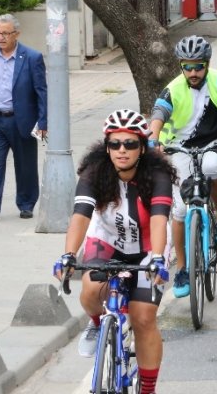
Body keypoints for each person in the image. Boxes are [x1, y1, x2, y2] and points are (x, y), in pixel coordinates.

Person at [54, 109, 174, 394]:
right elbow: (81, 216)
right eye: (115, 144)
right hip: (106, 240)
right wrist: (69, 254)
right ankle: (97, 324)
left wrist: (157, 258)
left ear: (142, 147)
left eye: (130, 144)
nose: (122, 150)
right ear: (106, 147)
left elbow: (159, 220)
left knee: (143, 317)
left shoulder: (157, 174)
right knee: (90, 290)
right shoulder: (94, 172)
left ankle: (147, 388)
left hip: (147, 248)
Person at [150, 36, 217, 297]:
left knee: (213, 168)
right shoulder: (174, 87)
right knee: (179, 210)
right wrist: (153, 139)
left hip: (216, 140)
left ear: (207, 63)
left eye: (198, 66)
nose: (192, 72)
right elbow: (158, 113)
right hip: (181, 146)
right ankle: (182, 267)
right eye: (187, 67)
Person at [0, 13, 47, 222]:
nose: (1, 37)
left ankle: (26, 204)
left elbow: (42, 92)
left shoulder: (32, 57)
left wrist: (43, 122)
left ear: (16, 34)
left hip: (22, 120)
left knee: (25, 164)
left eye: (5, 33)